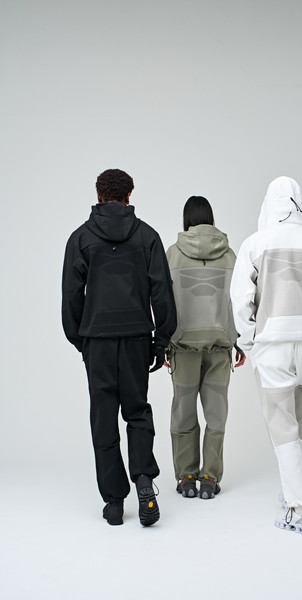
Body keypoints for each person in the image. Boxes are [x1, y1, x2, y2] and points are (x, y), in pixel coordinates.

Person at [230, 176, 302, 534]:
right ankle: (293, 492)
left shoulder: (255, 243)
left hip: (273, 342)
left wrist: (248, 343)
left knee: (282, 422)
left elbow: (240, 300)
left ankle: (299, 509)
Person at [62, 168, 177, 526]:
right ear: (129, 195)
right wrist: (161, 341)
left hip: (97, 340)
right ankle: (143, 480)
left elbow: (71, 296)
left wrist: (81, 339)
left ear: (99, 195)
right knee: (137, 411)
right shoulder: (147, 236)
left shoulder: (81, 239)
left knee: (103, 416)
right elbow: (162, 291)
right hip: (136, 338)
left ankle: (114, 503)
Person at [164, 196, 246, 500]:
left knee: (183, 414)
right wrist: (239, 340)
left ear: (186, 219)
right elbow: (238, 301)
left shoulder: (173, 254)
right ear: (211, 217)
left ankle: (186, 476)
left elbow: (163, 300)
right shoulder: (231, 256)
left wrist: (163, 342)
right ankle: (210, 478)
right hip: (220, 348)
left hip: (183, 347)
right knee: (217, 415)